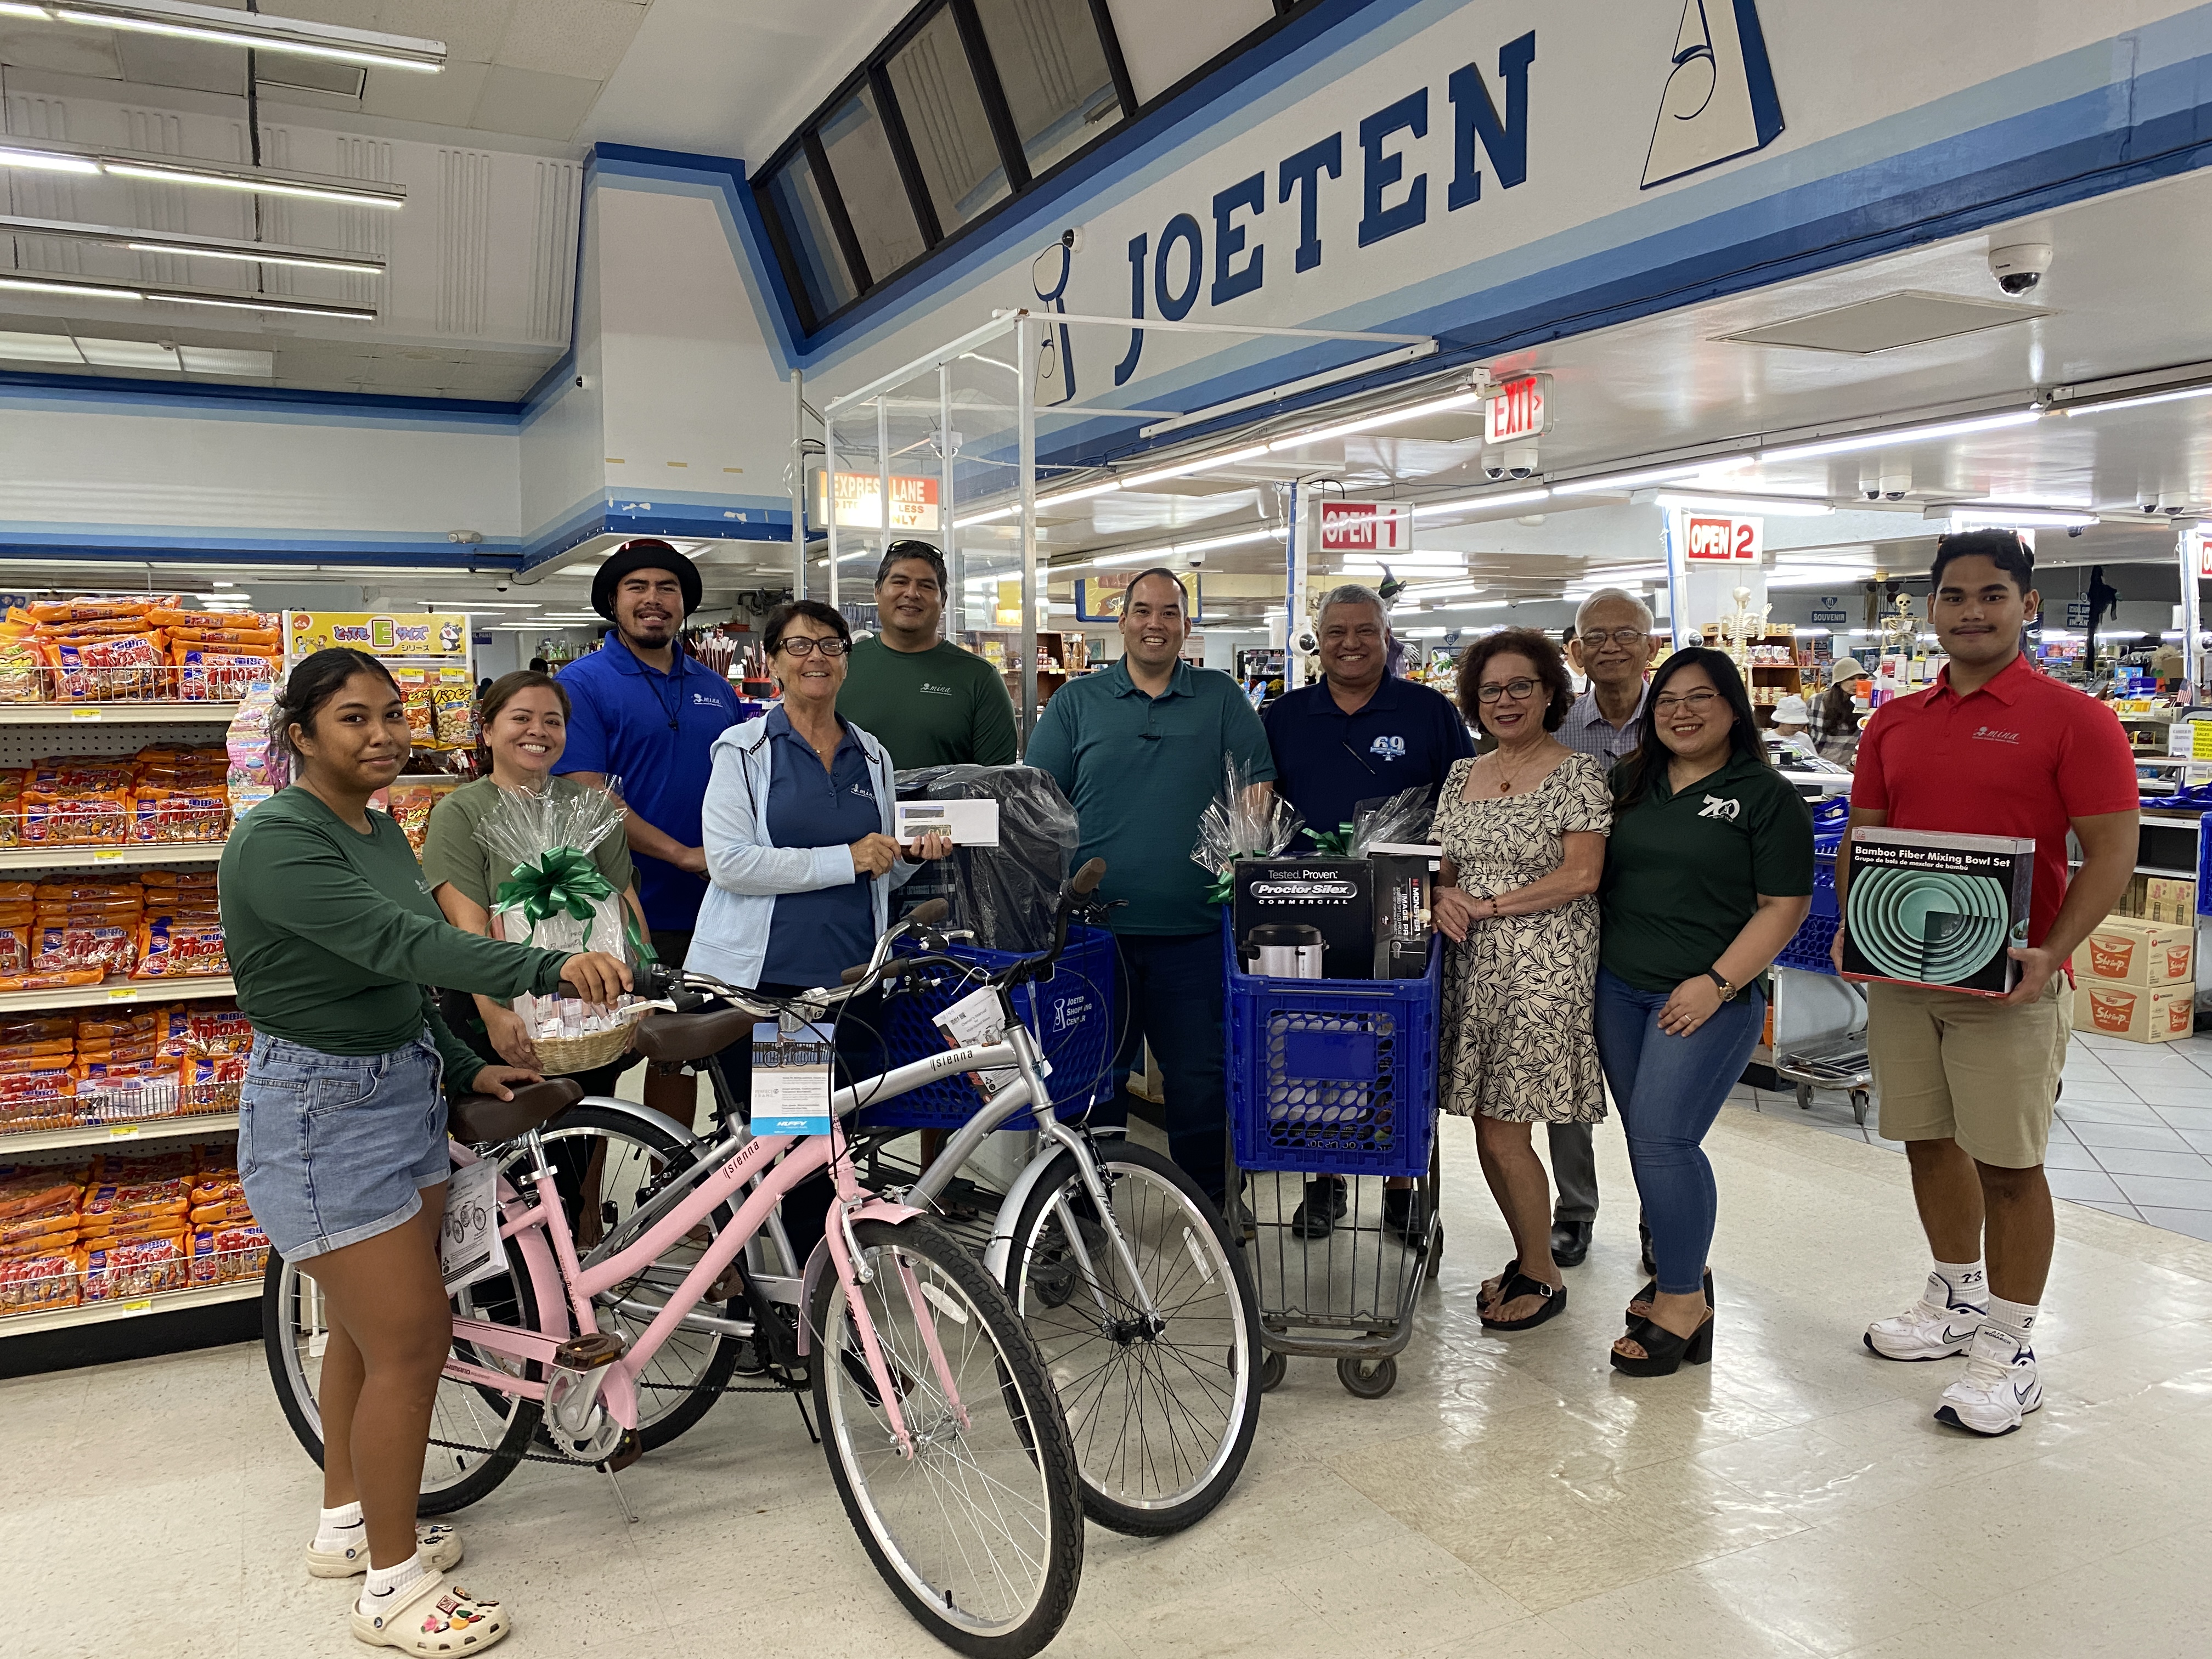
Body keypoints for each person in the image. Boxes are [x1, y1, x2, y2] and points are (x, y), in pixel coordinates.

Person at [220, 648, 630, 1652]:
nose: (384, 734)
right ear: (301, 734)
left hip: (398, 1087)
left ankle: (346, 1523)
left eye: (394, 714)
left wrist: (456, 1065)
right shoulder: (276, 839)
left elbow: (398, 987)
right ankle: (392, 1591)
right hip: (322, 1110)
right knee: (414, 1341)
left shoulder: (378, 828)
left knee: (369, 1336)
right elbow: (400, 946)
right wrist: (545, 962)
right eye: (354, 717)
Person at [1843, 531, 2138, 1435]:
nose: (1972, 611)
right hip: (1905, 971)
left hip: (2009, 981)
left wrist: (2052, 950)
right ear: (1928, 607)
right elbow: (1865, 836)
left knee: (2010, 1162)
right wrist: (1861, 929)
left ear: (2027, 605)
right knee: (1927, 1140)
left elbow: (2111, 851)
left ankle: (2009, 1343)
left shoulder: (2073, 718)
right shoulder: (1893, 720)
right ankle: (1956, 1297)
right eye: (1955, 595)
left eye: (1992, 595)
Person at [1025, 567, 1276, 1206]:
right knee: (1091, 1078)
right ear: (1121, 622)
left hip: (1193, 930)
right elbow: (1038, 806)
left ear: (1186, 626)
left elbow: (1254, 793)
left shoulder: (1221, 698)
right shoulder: (1076, 703)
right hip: (1090, 936)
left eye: (1169, 612)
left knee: (1199, 1080)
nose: (1155, 623)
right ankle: (1085, 1203)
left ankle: (1212, 1204)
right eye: (1142, 611)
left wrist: (1240, 863)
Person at [1597, 646, 1813, 1376]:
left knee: (1664, 1142)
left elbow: (1786, 906)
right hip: (1620, 990)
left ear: (1732, 708)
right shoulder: (1628, 784)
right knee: (1646, 1142)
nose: (1681, 713)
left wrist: (1717, 982)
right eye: (1667, 701)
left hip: (1705, 998)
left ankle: (1684, 1300)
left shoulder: (1764, 795)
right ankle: (1679, 1276)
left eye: (1700, 698)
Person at [1262, 582, 1472, 1237]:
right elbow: (1261, 808)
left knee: (1399, 1044)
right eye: (1336, 633)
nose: (1350, 644)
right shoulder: (1285, 715)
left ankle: (1404, 1180)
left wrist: (1445, 883)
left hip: (1403, 909)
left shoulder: (1428, 712)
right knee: (1312, 1041)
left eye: (1365, 631)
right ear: (1317, 642)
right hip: (1307, 909)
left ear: (1388, 638)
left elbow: (1463, 807)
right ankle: (1324, 1180)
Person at [1431, 629, 1611, 1328]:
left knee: (1507, 1128)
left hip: (1544, 967)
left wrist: (1487, 904)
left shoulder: (1576, 773)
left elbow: (1582, 874)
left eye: (1520, 687)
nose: (1505, 701)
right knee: (1487, 1124)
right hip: (1473, 964)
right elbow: (1443, 870)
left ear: (1549, 694)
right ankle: (1527, 1253)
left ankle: (1543, 1273)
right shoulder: (1461, 774)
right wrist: (1440, 895)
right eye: (1490, 690)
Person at [553, 539, 741, 1124]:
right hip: (620, 912)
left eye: (667, 588)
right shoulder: (581, 683)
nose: (653, 600)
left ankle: (676, 1198)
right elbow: (588, 793)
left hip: (714, 911)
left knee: (679, 1056)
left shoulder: (718, 689)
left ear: (684, 604)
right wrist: (681, 854)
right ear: (614, 601)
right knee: (597, 1069)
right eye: (637, 588)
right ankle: (580, 1216)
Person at [1550, 588, 1657, 1269]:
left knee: (1654, 1088)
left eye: (1627, 634)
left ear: (1651, 646)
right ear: (1577, 649)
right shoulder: (1558, 729)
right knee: (1565, 1074)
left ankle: (1659, 1214)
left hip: (1652, 921)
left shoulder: (1679, 718)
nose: (1611, 646)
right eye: (1596, 636)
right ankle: (1574, 1210)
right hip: (1568, 922)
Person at [836, 538, 1018, 769]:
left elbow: (996, 784)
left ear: (943, 600)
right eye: (900, 582)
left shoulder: (980, 679)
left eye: (926, 585)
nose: (912, 593)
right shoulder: (840, 666)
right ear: (878, 592)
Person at [1809, 656, 1864, 764]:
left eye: (1860, 678)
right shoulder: (1817, 701)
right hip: (1815, 765)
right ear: (1839, 681)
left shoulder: (1865, 706)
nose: (1857, 683)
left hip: (1845, 768)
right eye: (1851, 678)